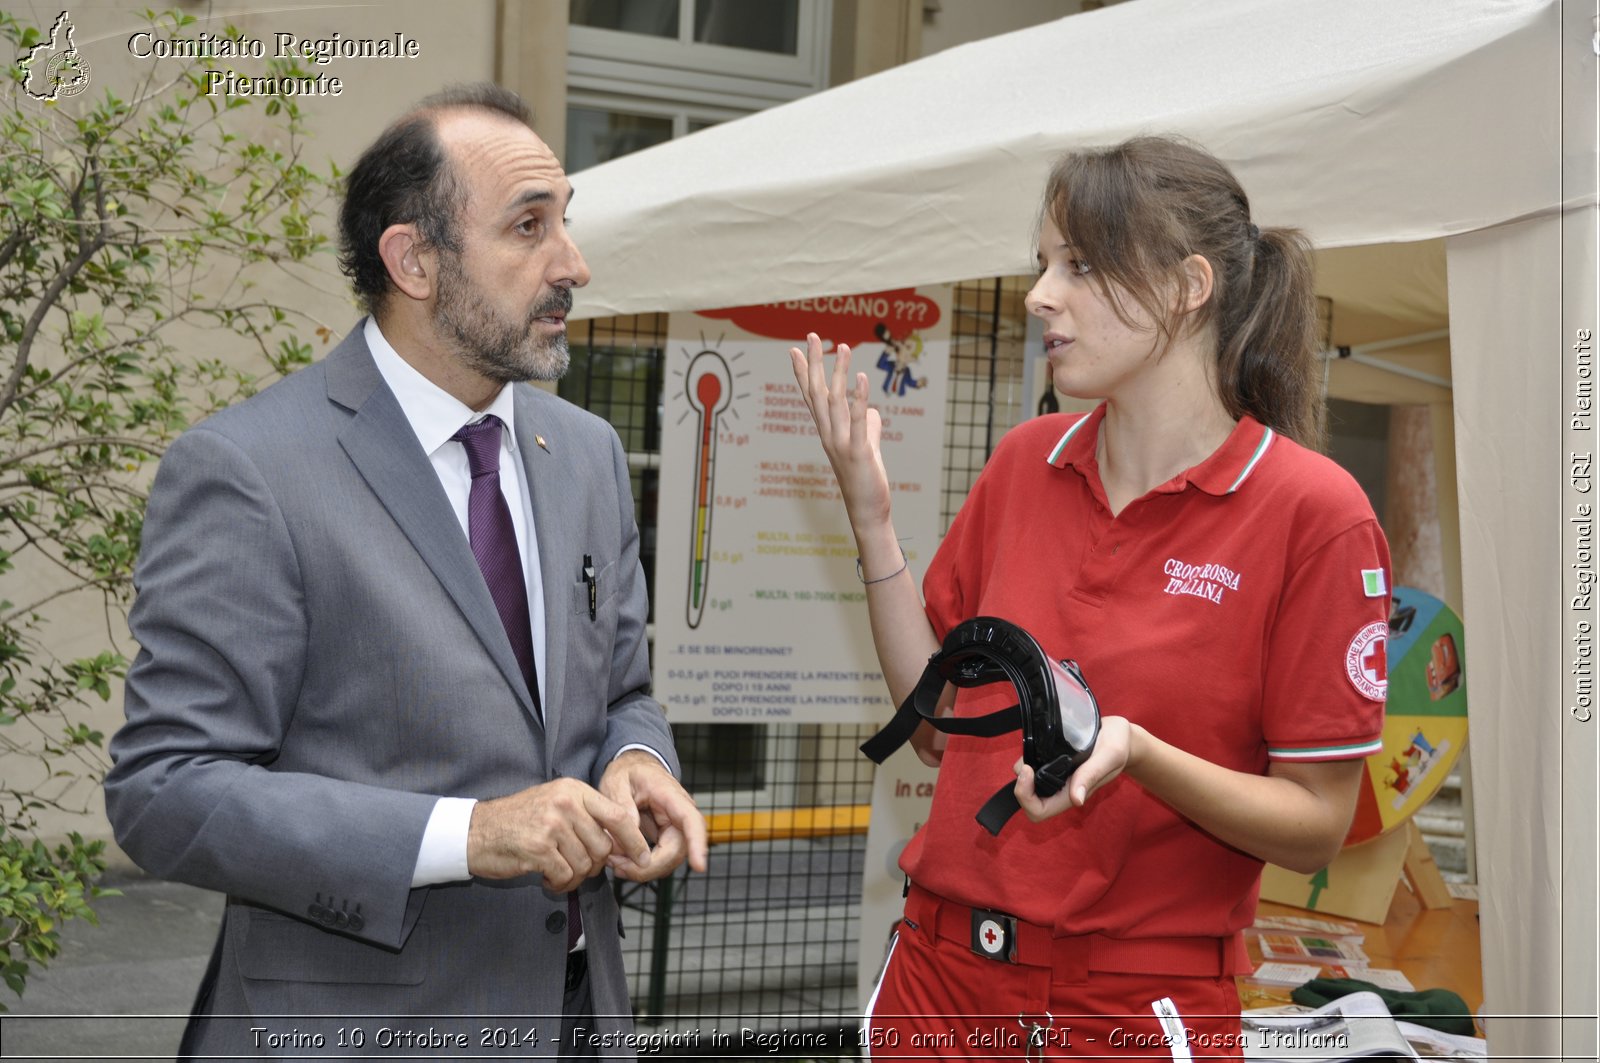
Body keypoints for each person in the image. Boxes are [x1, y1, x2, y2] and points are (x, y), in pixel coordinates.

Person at [104, 83, 707, 1058]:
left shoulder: (587, 453)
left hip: (574, 1020)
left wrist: (636, 760)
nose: (574, 265)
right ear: (413, 259)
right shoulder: (253, 471)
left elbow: (621, 691)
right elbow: (166, 792)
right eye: (528, 227)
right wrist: (467, 835)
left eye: (567, 223)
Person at [791, 136, 1390, 1058]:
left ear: (1189, 286)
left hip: (1128, 1007)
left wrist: (1141, 755)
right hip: (939, 980)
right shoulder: (1026, 463)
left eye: (1077, 264)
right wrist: (872, 523)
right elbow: (931, 717)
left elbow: (1317, 824)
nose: (1040, 294)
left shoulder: (1315, 514)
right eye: (1042, 264)